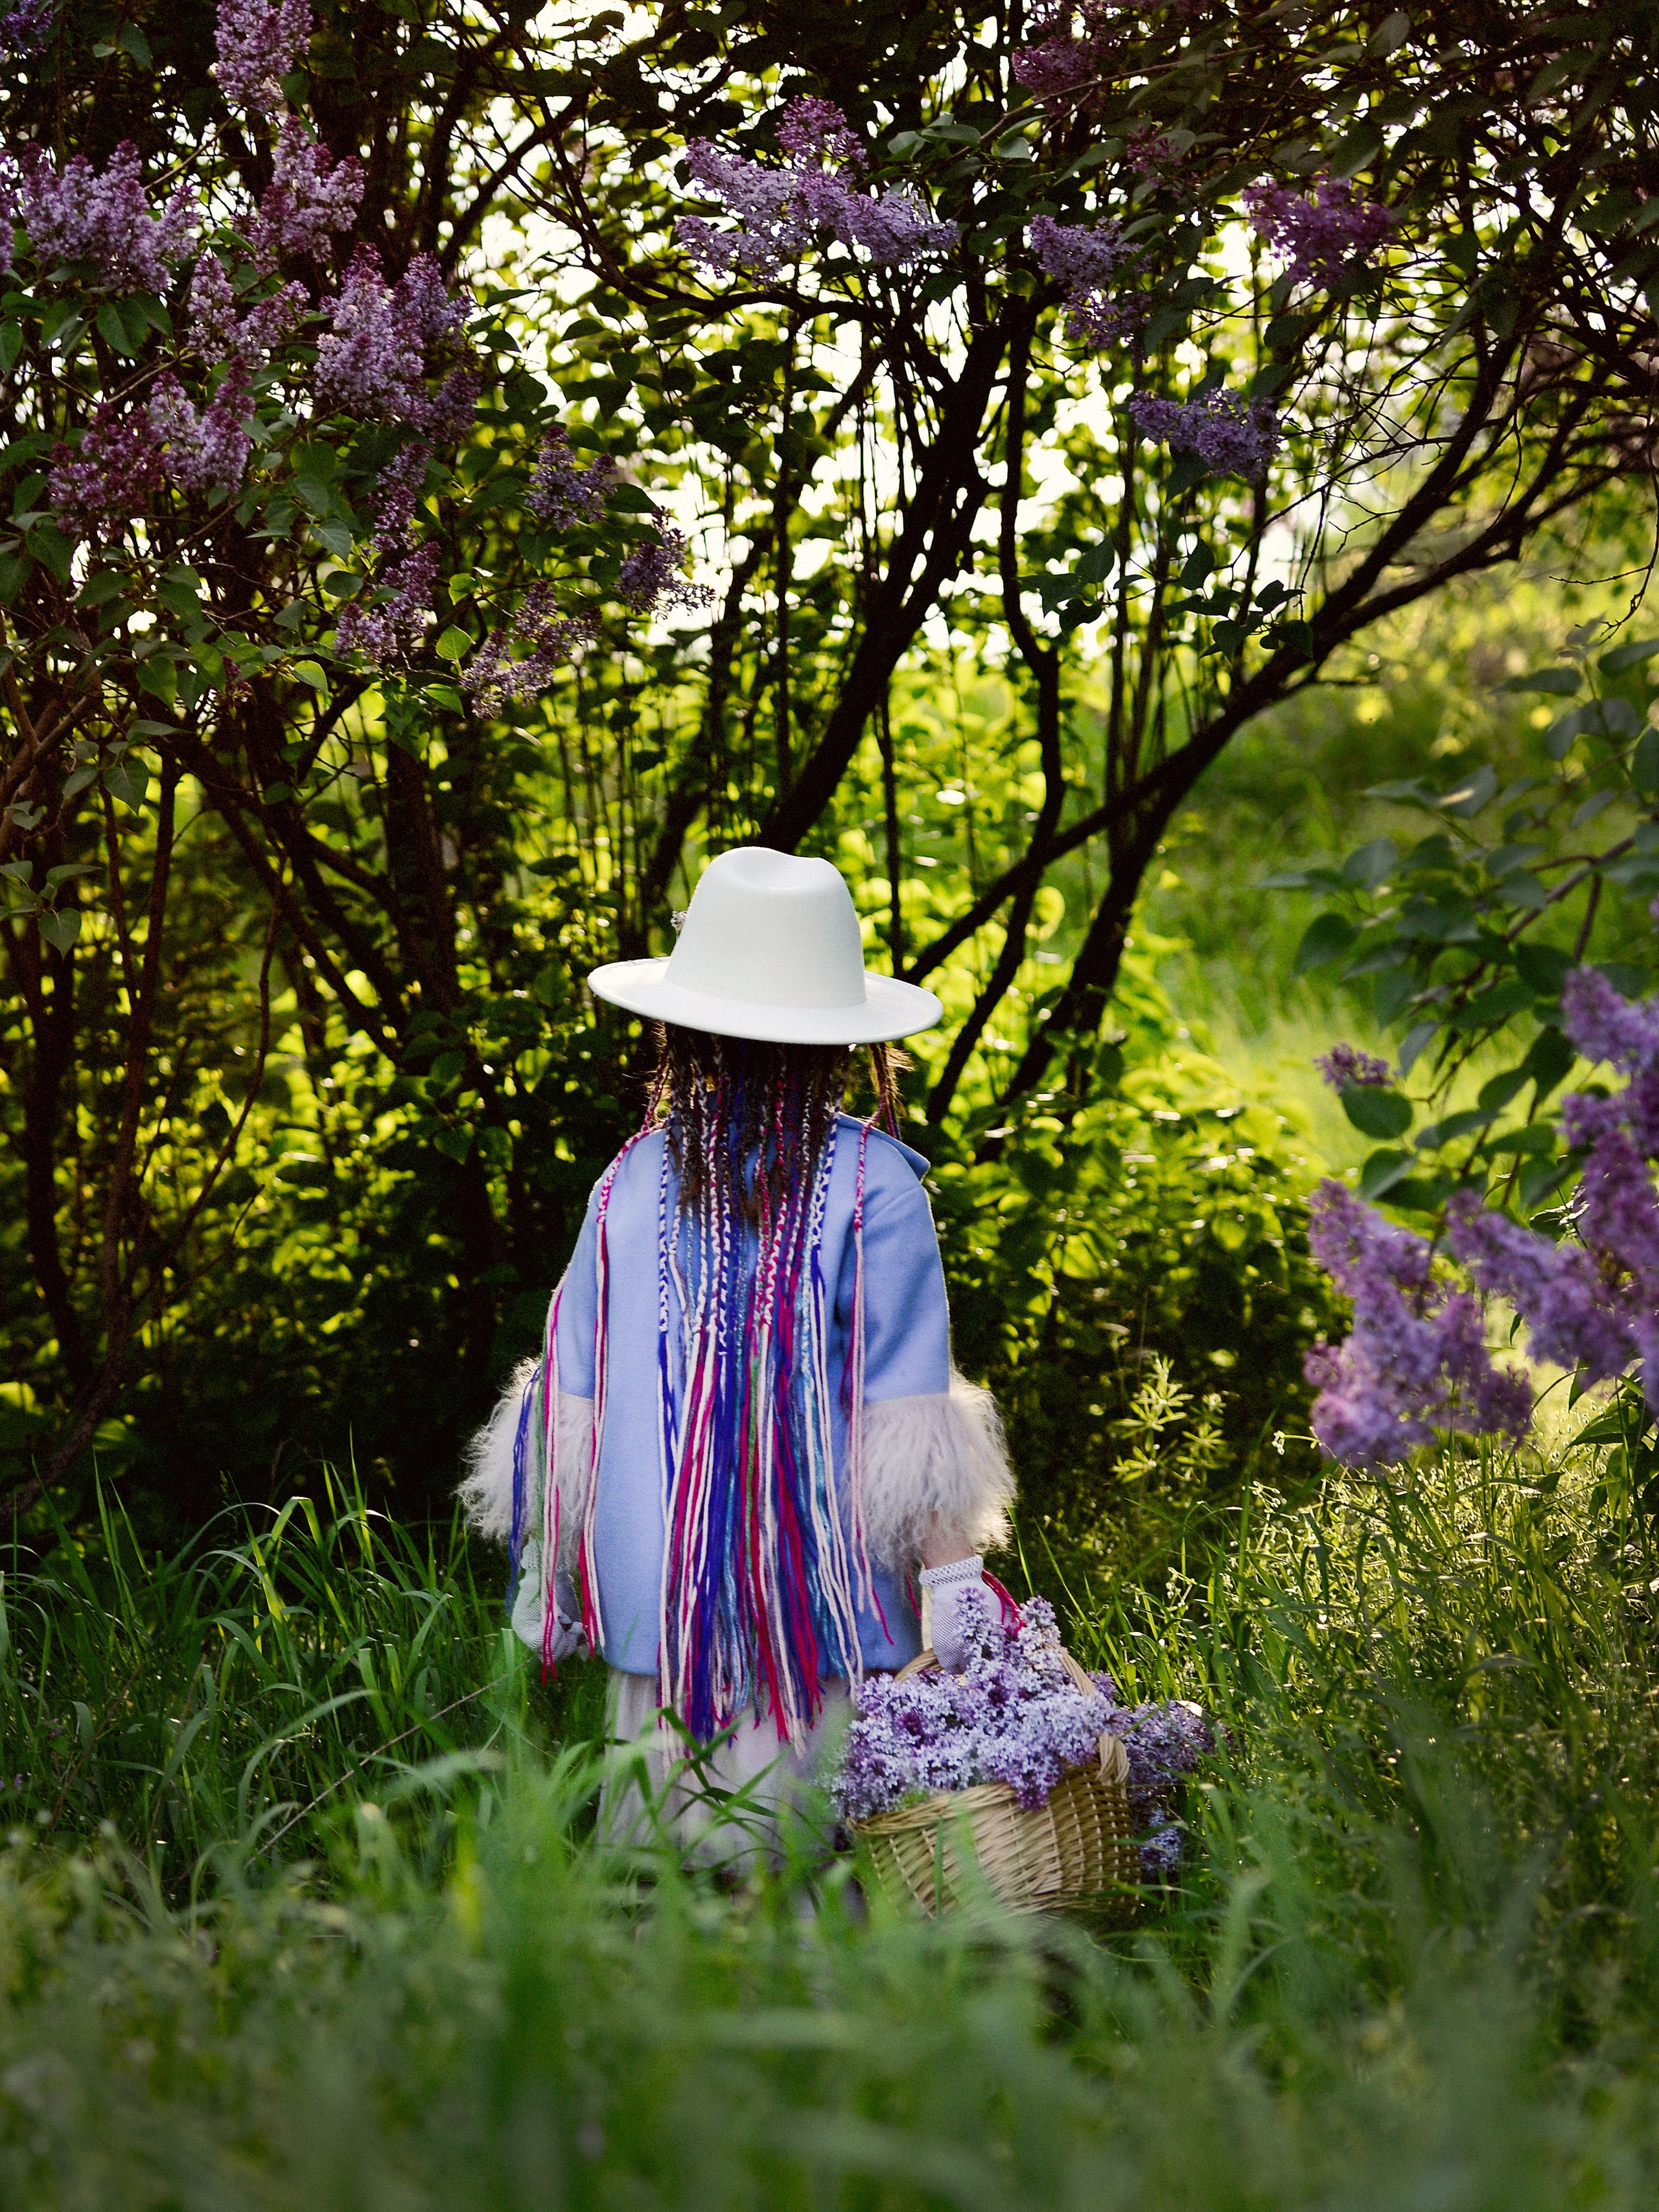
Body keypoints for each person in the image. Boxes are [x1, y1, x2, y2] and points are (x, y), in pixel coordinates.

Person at [460, 845, 1014, 1856]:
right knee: (817, 1883)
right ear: (838, 1037)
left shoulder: (628, 1182)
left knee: (664, 1882)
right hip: (826, 1634)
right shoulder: (874, 1186)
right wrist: (956, 1598)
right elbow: (909, 1424)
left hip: (658, 1626)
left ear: (685, 1028)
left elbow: (569, 1407)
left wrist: (552, 1581)